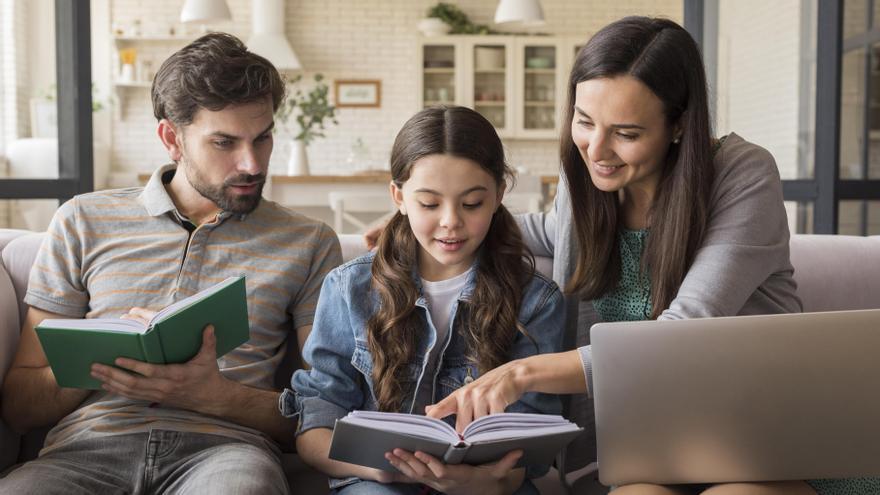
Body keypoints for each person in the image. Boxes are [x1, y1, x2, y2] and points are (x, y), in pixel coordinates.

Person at [413, 16, 877, 495]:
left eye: (627, 133)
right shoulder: (589, 190)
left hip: (765, 444)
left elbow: (684, 332)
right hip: (648, 450)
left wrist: (522, 372)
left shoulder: (742, 173)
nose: (597, 149)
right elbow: (543, 232)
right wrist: (420, 221)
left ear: (678, 125)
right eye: (584, 121)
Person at [0, 32, 341, 494]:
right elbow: (19, 406)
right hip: (85, 450)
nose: (252, 163)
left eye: (262, 139)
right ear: (171, 138)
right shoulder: (83, 219)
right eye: (224, 142)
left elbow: (325, 412)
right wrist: (97, 361)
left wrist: (217, 396)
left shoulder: (309, 241)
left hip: (226, 454)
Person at [286, 106, 565, 495]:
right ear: (398, 197)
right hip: (377, 481)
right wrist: (387, 471)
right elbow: (315, 422)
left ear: (500, 194)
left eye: (472, 204)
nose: (451, 221)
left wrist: (482, 482)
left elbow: (534, 445)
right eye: (429, 204)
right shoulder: (349, 289)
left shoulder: (536, 300)